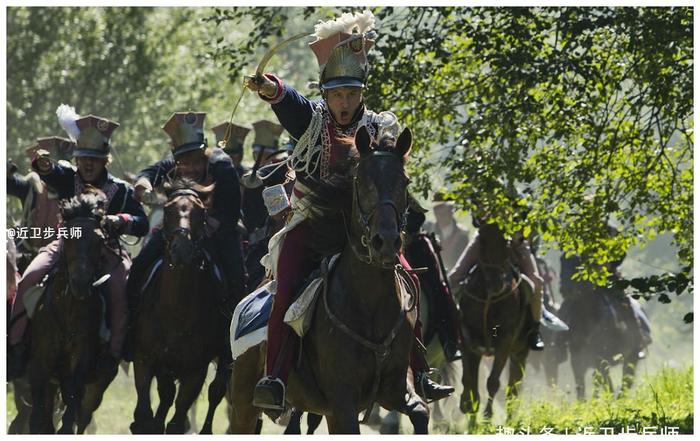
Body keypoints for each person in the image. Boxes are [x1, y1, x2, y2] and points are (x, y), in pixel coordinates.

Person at [243, 9, 453, 410]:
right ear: (325, 94)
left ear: (362, 94)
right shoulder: (311, 121)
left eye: (352, 94)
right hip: (313, 225)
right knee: (285, 285)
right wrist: (272, 89)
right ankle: (275, 378)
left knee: (409, 282)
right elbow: (289, 102)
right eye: (337, 94)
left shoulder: (380, 127)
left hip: (364, 232)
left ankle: (419, 372)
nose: (345, 102)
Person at [7, 106, 149, 379]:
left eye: (94, 159)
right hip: (65, 244)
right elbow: (47, 171)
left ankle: (113, 353)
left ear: (105, 160)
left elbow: (141, 222)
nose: (87, 164)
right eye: (83, 157)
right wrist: (44, 165)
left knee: (121, 292)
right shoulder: (66, 177)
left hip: (106, 250)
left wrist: (120, 220)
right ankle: (15, 348)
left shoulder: (121, 189)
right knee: (29, 278)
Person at [125, 112, 248, 354]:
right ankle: (131, 333)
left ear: (204, 152)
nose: (189, 166)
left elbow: (232, 210)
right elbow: (147, 174)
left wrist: (208, 225)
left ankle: (231, 344)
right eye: (183, 160)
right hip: (177, 232)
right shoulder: (173, 165)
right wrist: (143, 184)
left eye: (194, 159)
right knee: (139, 268)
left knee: (237, 280)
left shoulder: (222, 165)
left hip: (219, 233)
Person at [448, 194, 546, 351]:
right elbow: (476, 221)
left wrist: (516, 235)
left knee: (536, 281)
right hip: (485, 238)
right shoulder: (482, 189)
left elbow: (524, 218)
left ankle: (535, 329)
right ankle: (449, 329)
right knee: (454, 276)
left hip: (514, 239)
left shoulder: (513, 192)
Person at [404, 201, 463, 362]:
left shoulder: (400, 186)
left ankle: (449, 340)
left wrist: (405, 233)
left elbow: (417, 217)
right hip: (375, 246)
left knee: (438, 289)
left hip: (412, 245)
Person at [7, 137, 75, 256]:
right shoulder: (31, 186)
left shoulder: (73, 186)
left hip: (67, 252)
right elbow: (13, 184)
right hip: (29, 251)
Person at [428, 191, 470, 272]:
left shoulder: (462, 235)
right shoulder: (427, 232)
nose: (440, 212)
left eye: (442, 208)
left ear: (451, 209)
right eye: (437, 208)